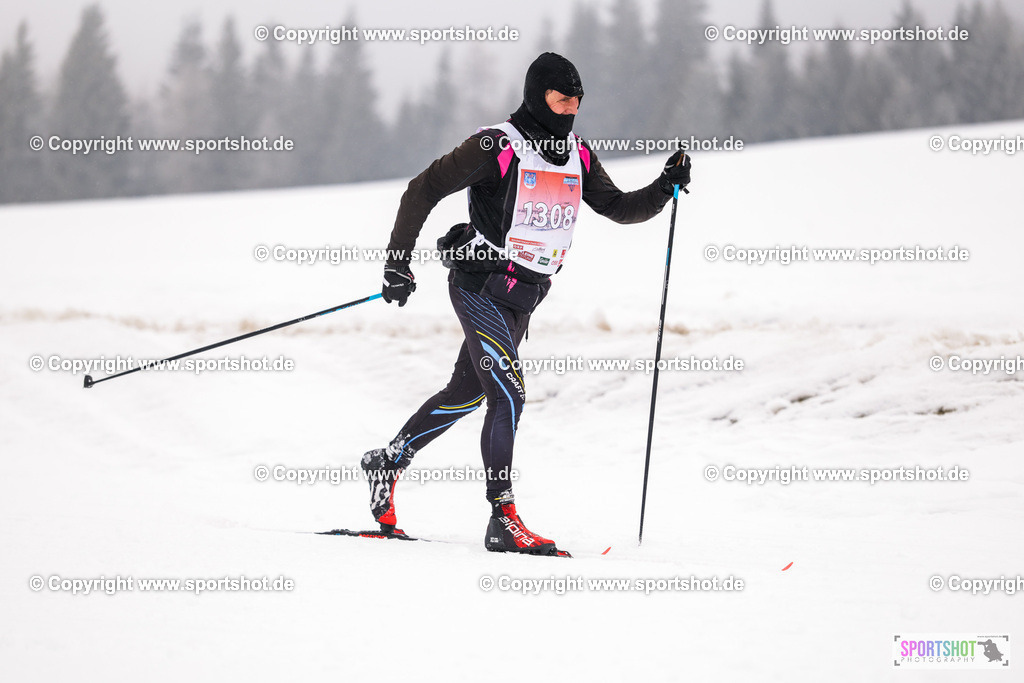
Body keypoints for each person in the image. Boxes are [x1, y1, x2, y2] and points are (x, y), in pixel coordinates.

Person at [361, 52, 691, 555]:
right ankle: (503, 518)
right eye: (561, 100)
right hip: (479, 288)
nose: (569, 111)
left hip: (525, 299)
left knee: (467, 394)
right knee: (509, 395)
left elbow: (620, 209)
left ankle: (389, 461)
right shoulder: (496, 145)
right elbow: (421, 188)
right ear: (538, 97)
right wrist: (396, 263)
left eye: (577, 102)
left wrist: (665, 186)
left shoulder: (578, 155)